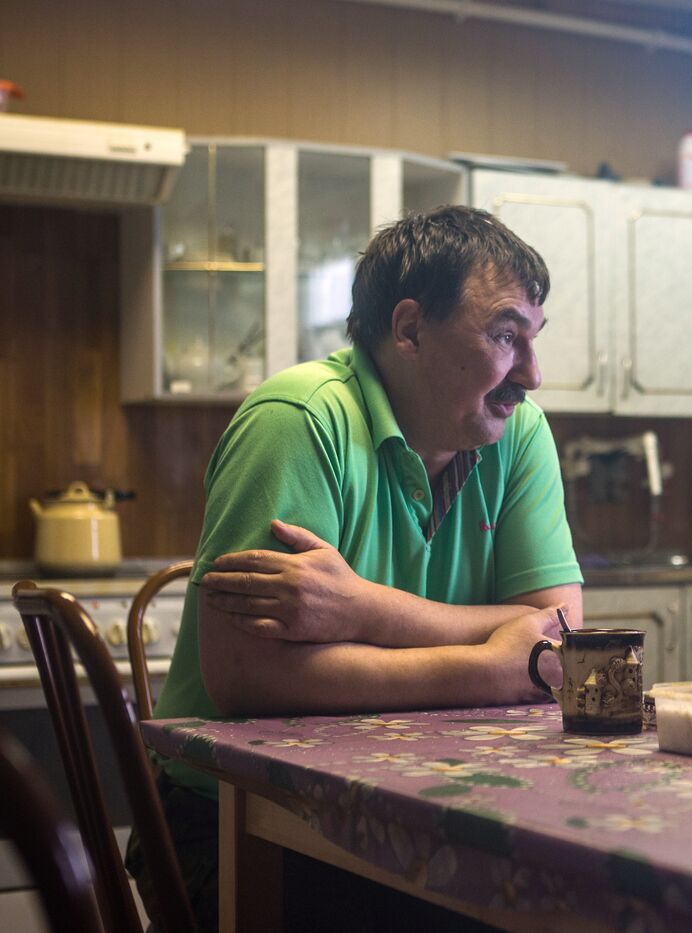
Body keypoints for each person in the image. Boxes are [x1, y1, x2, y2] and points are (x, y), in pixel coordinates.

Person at [127, 206, 582, 931]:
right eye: (505, 336)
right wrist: (494, 664)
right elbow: (246, 673)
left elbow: (559, 633)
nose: (531, 372)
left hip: (436, 807)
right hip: (237, 820)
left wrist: (365, 607)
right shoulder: (297, 419)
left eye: (533, 340)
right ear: (408, 330)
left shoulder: (517, 432)